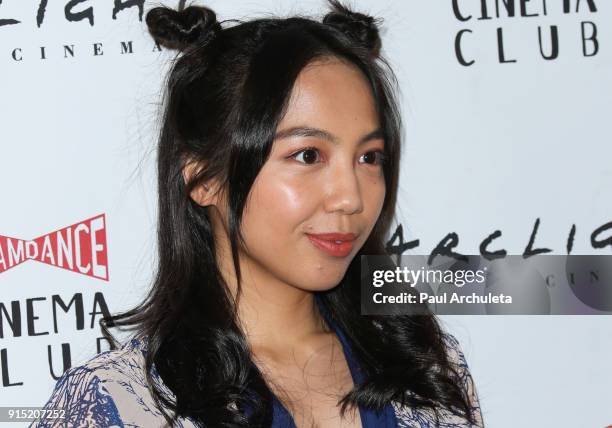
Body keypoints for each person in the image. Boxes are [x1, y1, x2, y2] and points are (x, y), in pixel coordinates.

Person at [31, 1, 483, 427]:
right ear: (203, 178)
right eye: (308, 155)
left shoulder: (426, 368)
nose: (350, 197)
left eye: (369, 158)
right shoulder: (123, 403)